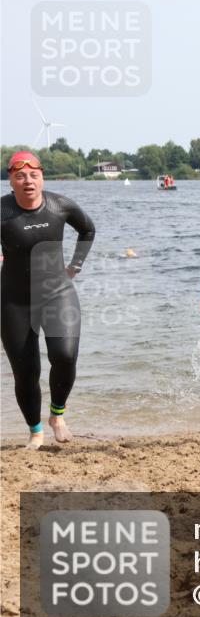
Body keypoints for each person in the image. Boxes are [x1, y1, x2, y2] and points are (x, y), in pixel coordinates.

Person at [1, 151, 96, 449]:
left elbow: (88, 229)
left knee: (65, 355)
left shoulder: (60, 205)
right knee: (26, 372)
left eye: (33, 175)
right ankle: (36, 431)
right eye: (20, 176)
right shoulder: (2, 211)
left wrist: (75, 266)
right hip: (13, 301)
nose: (27, 181)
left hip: (58, 293)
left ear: (42, 177)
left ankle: (58, 414)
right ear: (10, 180)